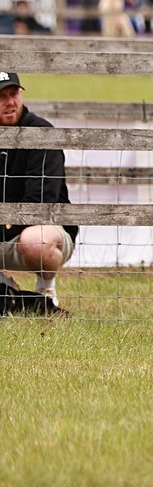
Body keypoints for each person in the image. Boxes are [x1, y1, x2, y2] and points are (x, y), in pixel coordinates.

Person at [1, 72, 73, 314]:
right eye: (1, 97)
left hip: (42, 229)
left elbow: (41, 202)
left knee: (35, 241)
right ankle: (5, 286)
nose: (9, 102)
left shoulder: (41, 132)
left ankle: (46, 288)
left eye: (13, 94)